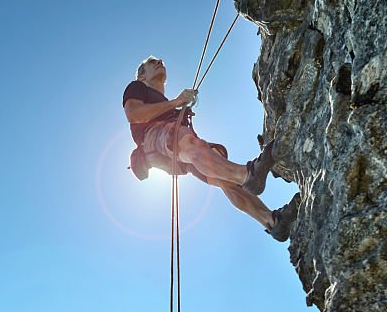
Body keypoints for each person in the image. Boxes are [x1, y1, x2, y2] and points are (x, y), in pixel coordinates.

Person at [123, 55, 300, 242]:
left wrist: (178, 107)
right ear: (142, 76)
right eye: (152, 63)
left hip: (169, 150)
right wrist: (176, 103)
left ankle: (271, 222)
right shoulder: (136, 87)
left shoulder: (162, 101)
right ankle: (248, 175)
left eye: (160, 61)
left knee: (223, 178)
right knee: (191, 145)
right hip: (154, 136)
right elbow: (134, 115)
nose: (159, 62)